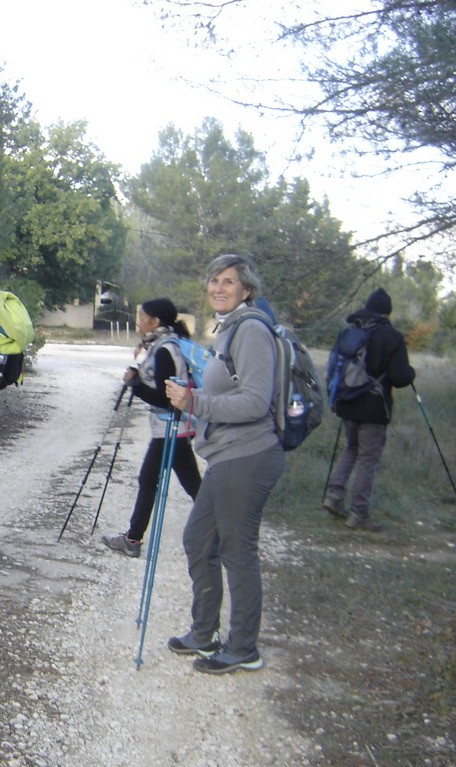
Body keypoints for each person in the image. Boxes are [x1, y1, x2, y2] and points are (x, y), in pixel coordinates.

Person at [165, 254, 285, 674]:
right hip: (227, 456)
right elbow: (229, 388)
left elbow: (254, 401)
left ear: (246, 289)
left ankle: (243, 647)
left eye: (228, 282)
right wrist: (192, 397)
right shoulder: (230, 328)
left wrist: (195, 401)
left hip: (248, 456)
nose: (217, 287)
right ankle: (204, 633)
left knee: (237, 551)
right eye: (213, 280)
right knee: (199, 541)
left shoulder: (251, 329)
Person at [101, 299, 202, 558]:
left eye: (142, 316)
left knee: (150, 481)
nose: (139, 321)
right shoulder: (162, 344)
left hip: (170, 429)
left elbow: (167, 400)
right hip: (172, 429)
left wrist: (135, 383)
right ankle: (225, 529)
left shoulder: (165, 349)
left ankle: (133, 540)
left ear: (155, 321)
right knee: (193, 486)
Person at [323, 288, 415, 532]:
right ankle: (359, 512)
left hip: (347, 402)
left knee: (350, 449)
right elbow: (399, 377)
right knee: (368, 458)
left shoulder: (350, 331)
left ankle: (334, 496)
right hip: (374, 407)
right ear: (388, 312)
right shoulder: (392, 336)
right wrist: (411, 373)